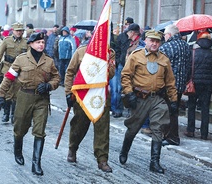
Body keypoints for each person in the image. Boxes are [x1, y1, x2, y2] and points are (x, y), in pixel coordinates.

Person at [0, 32, 60, 176]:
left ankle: (36, 163)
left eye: (43, 42)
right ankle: (17, 151)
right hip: (24, 97)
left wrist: (49, 86)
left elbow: (57, 78)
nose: (41, 45)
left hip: (42, 100)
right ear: (30, 44)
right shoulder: (21, 59)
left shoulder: (49, 61)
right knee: (20, 128)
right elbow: (9, 77)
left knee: (40, 131)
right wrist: (1, 94)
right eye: (38, 42)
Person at [119, 30, 178, 174]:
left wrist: (174, 100)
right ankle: (124, 150)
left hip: (157, 99)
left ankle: (154, 162)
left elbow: (170, 82)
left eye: (157, 41)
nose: (154, 44)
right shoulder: (135, 56)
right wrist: (129, 93)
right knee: (133, 128)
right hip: (139, 99)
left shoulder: (164, 59)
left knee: (158, 128)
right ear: (145, 40)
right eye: (151, 40)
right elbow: (125, 76)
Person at [64, 40, 115, 173]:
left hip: (100, 95)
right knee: (79, 125)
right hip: (82, 95)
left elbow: (112, 74)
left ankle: (102, 159)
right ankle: (73, 148)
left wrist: (107, 61)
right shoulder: (81, 51)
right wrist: (68, 93)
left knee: (102, 128)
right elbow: (70, 72)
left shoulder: (110, 52)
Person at [159, 24, 191, 146]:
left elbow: (161, 68)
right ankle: (170, 136)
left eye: (165, 35)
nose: (164, 37)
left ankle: (171, 137)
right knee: (174, 110)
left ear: (169, 35)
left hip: (168, 86)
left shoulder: (166, 47)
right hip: (181, 84)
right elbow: (189, 66)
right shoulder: (186, 46)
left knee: (167, 112)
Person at [0, 22, 28, 123]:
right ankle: (6, 113)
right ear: (13, 31)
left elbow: (29, 57)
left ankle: (13, 114)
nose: (19, 32)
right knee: (7, 90)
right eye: (17, 30)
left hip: (20, 69)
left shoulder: (26, 42)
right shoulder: (7, 41)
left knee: (17, 92)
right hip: (8, 67)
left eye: (21, 30)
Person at [184, 32, 212, 140]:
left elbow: (189, 67)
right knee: (205, 108)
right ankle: (204, 133)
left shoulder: (193, 52)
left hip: (195, 82)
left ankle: (190, 130)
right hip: (207, 83)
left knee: (192, 106)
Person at [112, 17, 134, 118]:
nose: (127, 26)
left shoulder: (134, 38)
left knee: (126, 88)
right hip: (121, 64)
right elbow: (117, 50)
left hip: (129, 65)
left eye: (129, 24)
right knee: (117, 88)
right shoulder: (121, 37)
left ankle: (127, 109)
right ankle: (117, 109)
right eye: (126, 25)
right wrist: (118, 60)